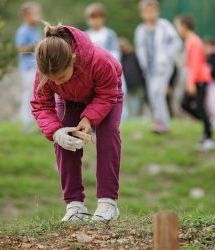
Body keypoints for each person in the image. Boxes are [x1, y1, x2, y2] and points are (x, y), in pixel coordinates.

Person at [31, 23, 123, 223]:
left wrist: (89, 117)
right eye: (53, 80)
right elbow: (41, 104)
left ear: (73, 59)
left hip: (107, 95)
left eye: (62, 76)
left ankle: (108, 204)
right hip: (69, 101)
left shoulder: (99, 60)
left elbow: (107, 93)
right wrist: (56, 132)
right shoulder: (45, 71)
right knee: (65, 142)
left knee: (108, 137)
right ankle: (75, 207)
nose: (59, 83)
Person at [135, 0, 182, 133]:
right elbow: (140, 49)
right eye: (147, 11)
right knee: (152, 94)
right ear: (142, 14)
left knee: (158, 93)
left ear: (158, 11)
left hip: (163, 67)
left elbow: (177, 43)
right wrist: (143, 65)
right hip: (149, 68)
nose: (150, 14)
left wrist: (166, 56)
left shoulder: (164, 26)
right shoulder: (140, 30)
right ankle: (158, 121)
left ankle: (163, 122)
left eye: (153, 11)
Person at [174, 15, 215, 151]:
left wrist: (191, 83)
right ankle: (208, 125)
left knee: (199, 107)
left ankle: (210, 137)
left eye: (178, 26)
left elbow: (195, 64)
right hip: (197, 79)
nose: (177, 29)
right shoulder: (190, 41)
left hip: (199, 80)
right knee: (186, 104)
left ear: (185, 26)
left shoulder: (194, 41)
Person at [84, 2, 128, 120]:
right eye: (92, 18)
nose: (95, 21)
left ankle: (119, 119)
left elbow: (115, 52)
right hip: (92, 72)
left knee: (113, 95)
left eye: (97, 18)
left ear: (103, 18)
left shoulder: (109, 34)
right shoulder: (86, 35)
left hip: (109, 70)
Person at [15, 2, 41, 133]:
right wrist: (35, 45)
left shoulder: (36, 30)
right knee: (29, 96)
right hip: (28, 69)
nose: (38, 16)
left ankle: (40, 124)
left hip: (37, 68)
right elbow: (20, 49)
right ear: (26, 16)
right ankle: (26, 124)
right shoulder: (23, 31)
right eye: (35, 14)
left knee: (39, 96)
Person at [119, 37, 146, 117]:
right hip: (128, 86)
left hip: (138, 84)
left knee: (140, 103)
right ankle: (132, 117)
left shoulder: (135, 55)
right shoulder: (121, 57)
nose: (122, 48)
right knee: (129, 105)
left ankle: (139, 116)